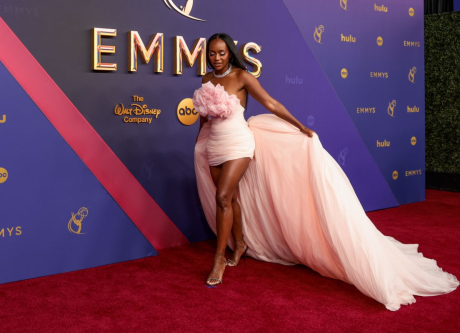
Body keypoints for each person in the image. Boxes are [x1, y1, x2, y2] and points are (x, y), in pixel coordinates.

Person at [192, 33, 458, 311]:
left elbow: (271, 104)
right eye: (212, 53)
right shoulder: (206, 80)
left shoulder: (242, 77)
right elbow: (203, 116)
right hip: (215, 145)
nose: (217, 57)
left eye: (222, 52)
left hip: (239, 143)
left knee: (222, 197)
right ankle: (242, 243)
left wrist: (298, 125)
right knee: (231, 198)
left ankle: (219, 260)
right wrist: (200, 142)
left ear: (230, 53)